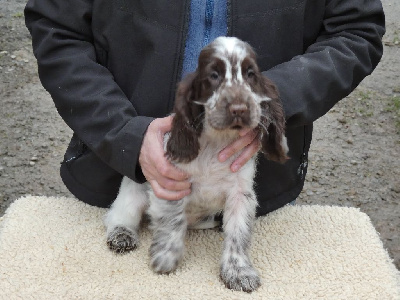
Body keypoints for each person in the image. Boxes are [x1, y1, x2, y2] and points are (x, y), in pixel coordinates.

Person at [24, 0, 385, 217]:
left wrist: (269, 103)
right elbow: (59, 31)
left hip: (250, 194)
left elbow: (354, 32)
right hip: (120, 183)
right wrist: (125, 136)